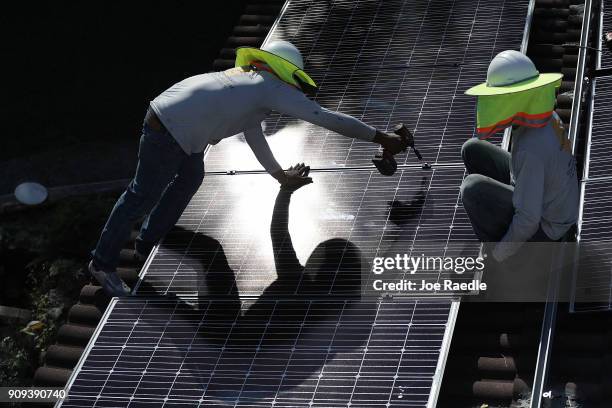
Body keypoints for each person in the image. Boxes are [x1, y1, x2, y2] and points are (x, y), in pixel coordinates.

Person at [89, 40, 408, 296]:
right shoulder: (271, 87)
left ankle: (148, 239)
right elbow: (326, 118)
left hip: (177, 128)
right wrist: (380, 137)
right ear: (288, 74)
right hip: (171, 133)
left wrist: (281, 176)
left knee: (190, 177)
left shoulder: (245, 81)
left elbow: (254, 135)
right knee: (140, 197)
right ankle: (102, 263)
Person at [460, 50, 579, 262]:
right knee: (472, 148)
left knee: (472, 189)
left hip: (548, 229)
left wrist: (499, 255)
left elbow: (529, 220)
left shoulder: (530, 148)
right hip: (546, 198)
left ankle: (510, 257)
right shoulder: (542, 114)